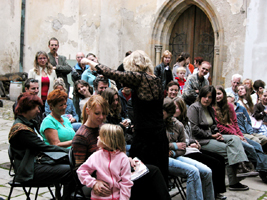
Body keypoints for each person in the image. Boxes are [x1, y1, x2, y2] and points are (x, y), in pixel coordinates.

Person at [81, 50, 169, 184]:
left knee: (139, 178)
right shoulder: (156, 79)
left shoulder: (139, 78)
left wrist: (88, 62)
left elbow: (110, 72)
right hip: (160, 136)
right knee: (158, 178)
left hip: (145, 138)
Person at [72, 95, 171, 200]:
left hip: (115, 170)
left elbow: (113, 150)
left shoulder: (102, 127)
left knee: (151, 171)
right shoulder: (81, 136)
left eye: (104, 114)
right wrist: (94, 182)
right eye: (97, 113)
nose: (101, 117)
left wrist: (124, 159)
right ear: (88, 111)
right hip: (102, 178)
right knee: (147, 178)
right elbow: (78, 169)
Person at [9, 92, 74, 200]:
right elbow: (45, 147)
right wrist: (70, 151)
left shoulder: (26, 123)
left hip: (33, 163)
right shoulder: (22, 130)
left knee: (72, 165)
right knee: (70, 170)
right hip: (28, 170)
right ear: (28, 109)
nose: (39, 111)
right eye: (36, 108)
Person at [187, 85, 250, 191]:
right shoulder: (194, 108)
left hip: (212, 136)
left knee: (235, 139)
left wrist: (217, 132)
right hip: (201, 140)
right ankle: (234, 180)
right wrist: (212, 135)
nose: (207, 99)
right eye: (205, 96)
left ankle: (241, 164)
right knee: (229, 150)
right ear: (200, 96)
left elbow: (213, 125)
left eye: (210, 97)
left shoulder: (210, 109)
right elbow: (194, 129)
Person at [173, 97, 227, 200]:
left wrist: (196, 143)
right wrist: (192, 143)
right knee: (213, 163)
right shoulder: (173, 123)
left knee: (219, 158)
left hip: (192, 148)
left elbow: (190, 137)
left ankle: (217, 191)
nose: (174, 110)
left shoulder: (186, 122)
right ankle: (212, 194)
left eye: (177, 108)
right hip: (185, 151)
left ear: (183, 109)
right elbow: (182, 141)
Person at [163, 98, 214, 200]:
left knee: (207, 171)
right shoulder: (158, 124)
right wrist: (175, 145)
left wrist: (173, 152)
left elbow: (183, 149)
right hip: (162, 157)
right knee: (193, 172)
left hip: (175, 155)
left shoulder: (178, 125)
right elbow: (159, 145)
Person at [214, 86, 265, 177]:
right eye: (215, 94)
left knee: (257, 145)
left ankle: (262, 169)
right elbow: (220, 127)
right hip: (225, 135)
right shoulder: (213, 108)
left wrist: (240, 135)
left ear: (223, 94)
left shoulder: (229, 106)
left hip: (236, 134)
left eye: (219, 94)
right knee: (250, 148)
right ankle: (262, 170)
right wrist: (237, 136)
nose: (217, 96)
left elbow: (235, 123)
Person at [77, 124, 133, 200]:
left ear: (107, 140)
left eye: (100, 136)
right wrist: (93, 183)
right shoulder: (96, 155)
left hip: (117, 197)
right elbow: (81, 171)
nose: (97, 137)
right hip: (98, 197)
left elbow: (126, 183)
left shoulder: (123, 158)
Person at [71, 52, 90, 118]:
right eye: (78, 57)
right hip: (78, 94)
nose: (80, 59)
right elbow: (76, 79)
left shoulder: (89, 68)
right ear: (76, 59)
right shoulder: (74, 68)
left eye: (81, 57)